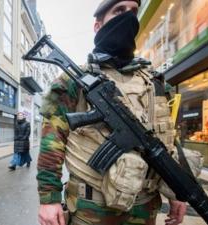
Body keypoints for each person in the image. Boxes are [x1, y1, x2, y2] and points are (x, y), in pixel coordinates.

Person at [37, 1, 188, 225]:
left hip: (144, 207)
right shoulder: (74, 81)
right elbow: (52, 140)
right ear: (98, 26)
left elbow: (168, 139)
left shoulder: (155, 83)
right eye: (118, 11)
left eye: (133, 12)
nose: (128, 17)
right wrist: (49, 199)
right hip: (92, 209)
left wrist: (179, 191)